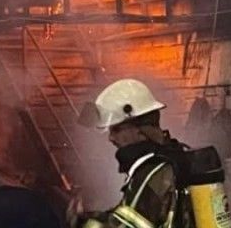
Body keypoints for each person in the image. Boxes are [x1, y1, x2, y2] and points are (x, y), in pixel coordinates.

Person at [80, 79, 190, 228]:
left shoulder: (153, 173)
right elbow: (127, 216)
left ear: (141, 129)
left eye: (116, 129)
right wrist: (91, 217)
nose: (111, 138)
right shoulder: (170, 160)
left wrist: (80, 222)